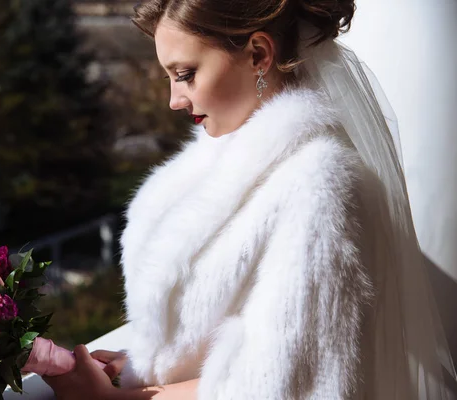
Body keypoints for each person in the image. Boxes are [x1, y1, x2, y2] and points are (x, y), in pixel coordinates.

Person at [42, 0, 457, 398]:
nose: (173, 100)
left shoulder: (317, 186)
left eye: (185, 73)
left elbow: (283, 387)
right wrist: (146, 366)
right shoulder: (219, 157)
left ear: (259, 54)